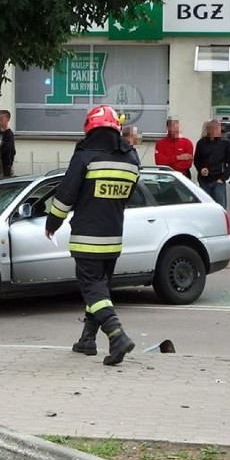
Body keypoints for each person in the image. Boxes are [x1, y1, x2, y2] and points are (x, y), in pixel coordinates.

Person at [44, 105, 140, 366]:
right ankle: (87, 340)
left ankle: (116, 334)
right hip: (113, 237)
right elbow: (127, 197)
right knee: (100, 289)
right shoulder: (131, 158)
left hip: (87, 237)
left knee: (92, 288)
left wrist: (52, 222)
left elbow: (66, 195)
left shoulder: (86, 156)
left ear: (90, 128)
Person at [193, 119, 230, 207]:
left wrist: (223, 177)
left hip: (218, 180)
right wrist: (201, 169)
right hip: (204, 181)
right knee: (205, 206)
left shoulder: (225, 143)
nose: (216, 131)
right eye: (213, 128)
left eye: (217, 128)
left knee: (219, 206)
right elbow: (197, 160)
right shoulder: (201, 143)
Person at [0, 109, 16, 177]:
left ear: (7, 119)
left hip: (5, 165)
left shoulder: (9, 134)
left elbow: (10, 150)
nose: (0, 121)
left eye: (2, 118)